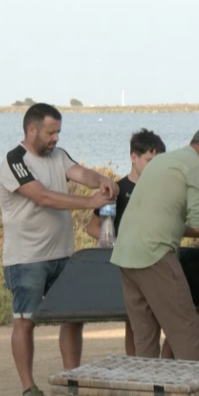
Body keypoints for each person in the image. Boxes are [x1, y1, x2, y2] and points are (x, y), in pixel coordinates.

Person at [0, 103, 118, 396]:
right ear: (32, 130)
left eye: (58, 132)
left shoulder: (58, 156)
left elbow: (81, 173)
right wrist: (88, 200)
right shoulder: (14, 161)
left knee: (73, 316)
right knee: (25, 321)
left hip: (63, 255)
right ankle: (28, 389)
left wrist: (102, 180)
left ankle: (71, 380)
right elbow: (43, 197)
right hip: (26, 258)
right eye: (51, 132)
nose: (55, 138)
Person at [110, 124, 199, 361]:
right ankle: (190, 393)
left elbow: (167, 219)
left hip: (125, 254)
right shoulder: (197, 166)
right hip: (154, 255)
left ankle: (151, 393)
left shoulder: (162, 161)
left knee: (145, 335)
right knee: (187, 330)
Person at [84, 128, 171, 358]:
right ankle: (136, 367)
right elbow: (93, 228)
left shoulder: (163, 188)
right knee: (133, 322)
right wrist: (121, 243)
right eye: (149, 160)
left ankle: (163, 367)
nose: (155, 166)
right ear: (134, 157)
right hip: (126, 264)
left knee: (169, 319)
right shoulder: (118, 190)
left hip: (156, 262)